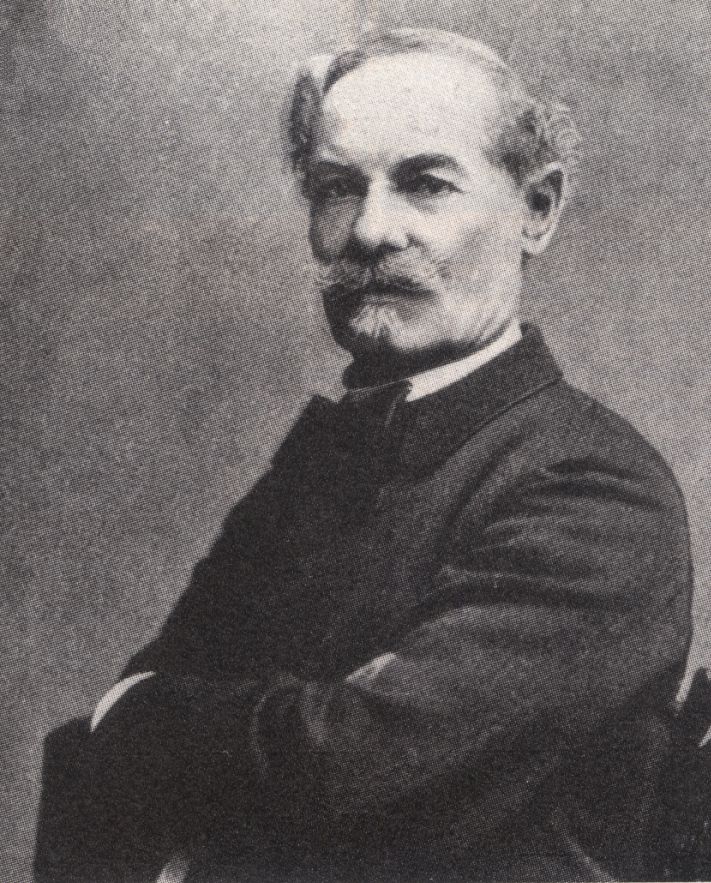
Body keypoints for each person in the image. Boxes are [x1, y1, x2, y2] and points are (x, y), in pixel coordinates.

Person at [68, 27, 693, 883]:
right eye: (336, 188)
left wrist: (132, 716)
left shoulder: (591, 489)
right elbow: (148, 738)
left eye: (425, 183)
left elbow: (346, 769)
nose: (369, 230)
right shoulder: (328, 460)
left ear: (536, 209)